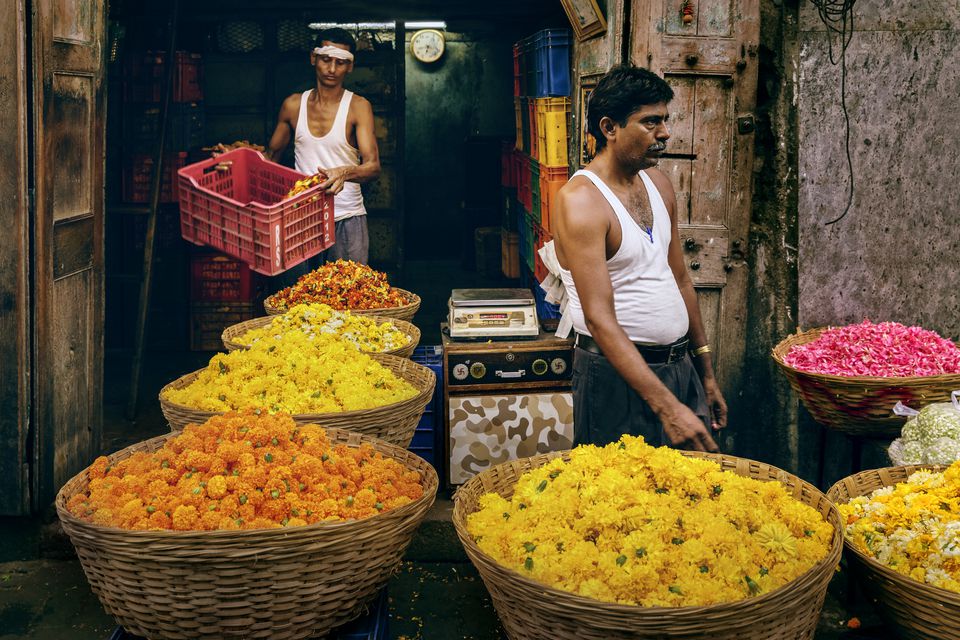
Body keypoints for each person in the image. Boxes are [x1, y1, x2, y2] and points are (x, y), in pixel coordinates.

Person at [553, 64, 728, 452]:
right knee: (621, 501)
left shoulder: (660, 184)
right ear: (609, 128)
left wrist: (706, 375)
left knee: (689, 494)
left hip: (678, 369)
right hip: (615, 378)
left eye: (665, 120)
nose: (664, 132)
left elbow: (681, 280)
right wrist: (667, 408)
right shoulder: (581, 200)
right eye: (650, 122)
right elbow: (599, 318)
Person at [266, 28, 380, 265]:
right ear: (313, 58)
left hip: (346, 217)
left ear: (349, 67)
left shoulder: (358, 107)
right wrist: (237, 156)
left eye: (340, 63)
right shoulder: (293, 106)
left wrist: (344, 171)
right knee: (300, 298)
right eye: (326, 60)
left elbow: (373, 167)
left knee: (349, 297)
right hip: (300, 218)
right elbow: (270, 158)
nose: (331, 69)